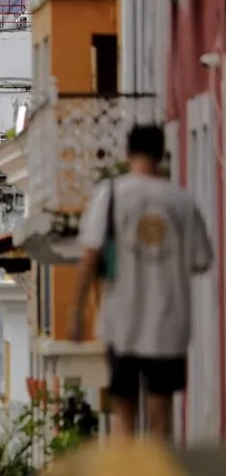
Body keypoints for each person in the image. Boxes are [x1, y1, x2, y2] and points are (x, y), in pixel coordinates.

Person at [71, 124, 213, 440]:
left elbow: (90, 256)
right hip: (169, 324)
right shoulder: (182, 201)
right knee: (161, 413)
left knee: (124, 414)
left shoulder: (109, 195)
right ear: (162, 154)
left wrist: (77, 314)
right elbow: (202, 260)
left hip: (123, 324)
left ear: (127, 153)